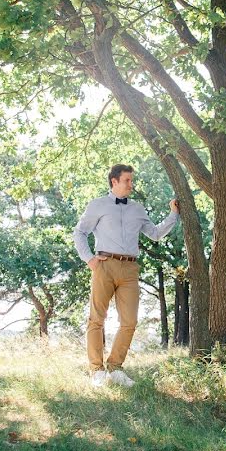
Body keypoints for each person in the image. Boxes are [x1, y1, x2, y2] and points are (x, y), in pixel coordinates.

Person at [73, 164, 180, 387]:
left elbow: (155, 234)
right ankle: (96, 371)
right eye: (127, 181)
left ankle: (115, 367)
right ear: (114, 182)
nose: (131, 185)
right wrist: (89, 259)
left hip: (130, 269)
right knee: (96, 319)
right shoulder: (97, 205)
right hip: (104, 265)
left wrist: (173, 214)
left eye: (131, 180)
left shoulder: (137, 209)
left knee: (129, 321)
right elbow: (80, 232)